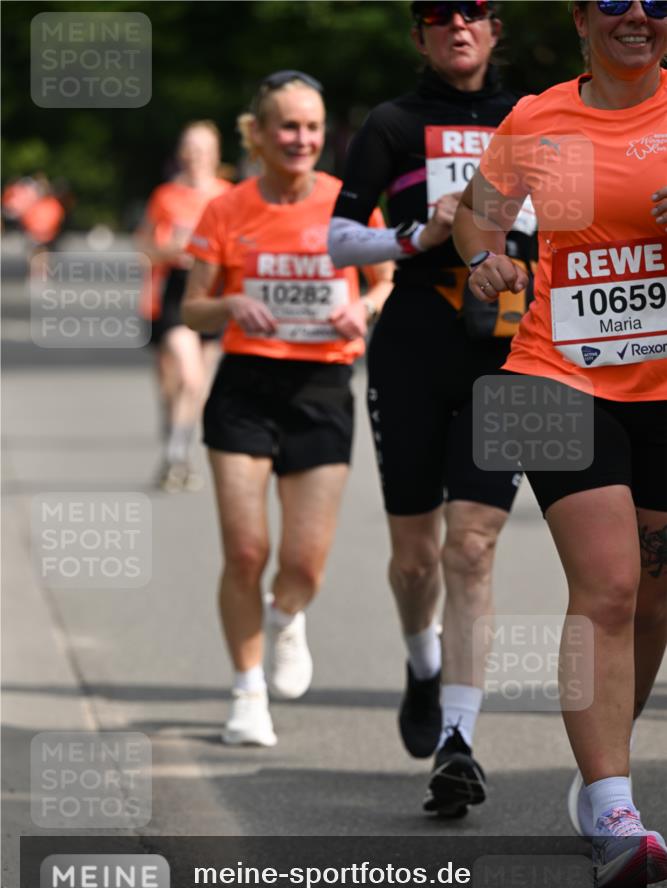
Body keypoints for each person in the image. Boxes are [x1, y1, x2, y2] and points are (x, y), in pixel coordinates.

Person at [453, 0, 667, 888]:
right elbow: (475, 214)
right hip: (552, 372)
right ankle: (616, 809)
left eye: (655, 2)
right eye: (614, 0)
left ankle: (597, 781)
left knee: (652, 597)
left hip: (661, 381)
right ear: (581, 19)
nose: (636, 16)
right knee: (609, 584)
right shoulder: (538, 116)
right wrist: (483, 260)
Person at [328, 1, 537, 816]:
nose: (457, 24)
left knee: (473, 549)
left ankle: (457, 739)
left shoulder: (531, 120)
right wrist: (416, 235)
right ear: (418, 36)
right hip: (413, 350)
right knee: (415, 559)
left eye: (474, 12)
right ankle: (421, 662)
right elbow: (339, 240)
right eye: (437, 15)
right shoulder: (391, 122)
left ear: (494, 31)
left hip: (509, 354)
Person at [182, 71, 393, 747]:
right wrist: (229, 305)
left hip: (321, 389)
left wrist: (357, 307)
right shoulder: (227, 208)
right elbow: (191, 305)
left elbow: (383, 278)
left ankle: (287, 615)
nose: (301, 139)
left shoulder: (346, 201)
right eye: (287, 126)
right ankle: (246, 692)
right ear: (260, 134)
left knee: (303, 564)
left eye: (311, 126)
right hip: (245, 385)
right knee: (245, 550)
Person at [136, 121, 232, 492]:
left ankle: (177, 455)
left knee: (196, 386)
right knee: (180, 380)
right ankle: (175, 453)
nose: (197, 156)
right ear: (181, 153)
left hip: (215, 291)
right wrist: (174, 250)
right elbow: (143, 249)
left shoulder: (228, 195)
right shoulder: (165, 196)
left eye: (204, 149)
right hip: (174, 292)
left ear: (216, 154)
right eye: (190, 148)